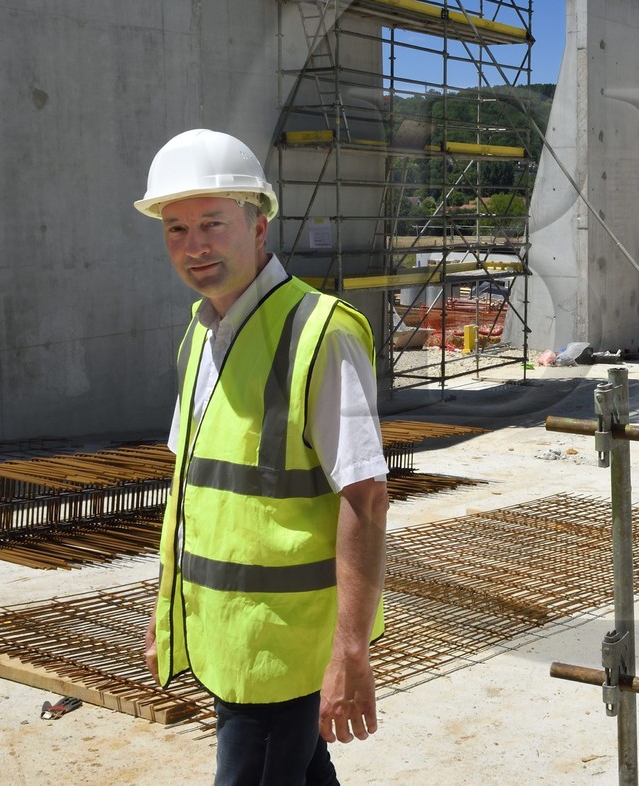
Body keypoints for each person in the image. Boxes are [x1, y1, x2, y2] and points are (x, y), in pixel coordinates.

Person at [136, 128, 387, 785]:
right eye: (176, 229)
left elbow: (365, 498)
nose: (195, 246)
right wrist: (168, 616)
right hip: (227, 638)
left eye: (212, 224)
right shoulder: (199, 336)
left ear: (258, 225)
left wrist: (350, 653)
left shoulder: (320, 332)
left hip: (285, 650)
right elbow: (192, 492)